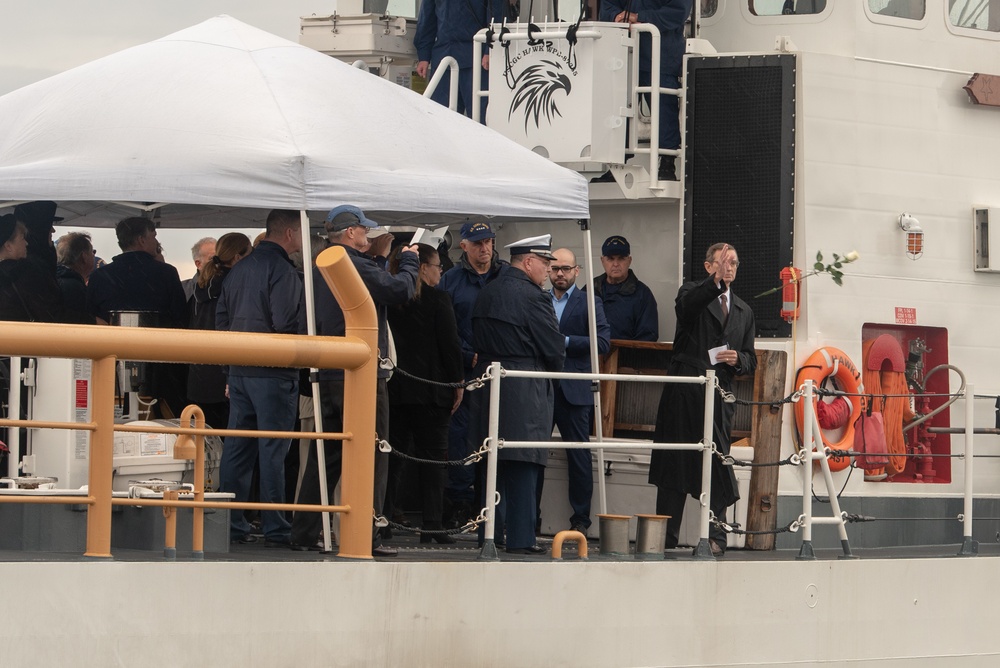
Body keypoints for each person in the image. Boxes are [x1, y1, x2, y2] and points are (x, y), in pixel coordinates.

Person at [290, 205, 418, 557]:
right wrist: (407, 260)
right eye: (365, 231)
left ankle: (304, 531)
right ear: (351, 233)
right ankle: (367, 532)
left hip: (327, 370)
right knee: (373, 452)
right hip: (359, 373)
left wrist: (376, 258)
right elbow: (397, 291)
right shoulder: (351, 262)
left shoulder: (319, 265)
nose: (369, 236)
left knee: (326, 455)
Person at [649, 242, 756, 556]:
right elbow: (688, 308)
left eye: (734, 262)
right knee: (675, 462)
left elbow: (751, 358)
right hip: (684, 391)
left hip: (719, 396)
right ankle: (664, 537)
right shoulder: (690, 292)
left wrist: (739, 360)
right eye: (724, 262)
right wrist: (714, 285)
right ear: (710, 266)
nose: (730, 267)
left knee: (716, 461)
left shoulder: (744, 311)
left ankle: (716, 538)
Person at [216, 210, 305, 546]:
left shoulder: (238, 270)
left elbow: (221, 322)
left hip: (239, 370)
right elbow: (285, 321)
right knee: (273, 451)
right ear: (290, 233)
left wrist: (230, 369)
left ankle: (232, 524)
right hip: (275, 372)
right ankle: (276, 527)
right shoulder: (282, 270)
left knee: (237, 450)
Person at [472, 234, 565, 554]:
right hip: (525, 385)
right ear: (528, 262)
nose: (548, 271)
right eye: (545, 263)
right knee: (524, 462)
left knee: (492, 462)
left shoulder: (487, 292)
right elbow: (553, 348)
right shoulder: (533, 297)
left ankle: (490, 533)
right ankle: (522, 537)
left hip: (488, 383)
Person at [385, 243, 464, 544]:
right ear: (423, 268)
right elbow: (450, 345)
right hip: (431, 392)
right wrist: (457, 382)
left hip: (394, 390)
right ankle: (432, 525)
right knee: (433, 462)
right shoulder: (438, 299)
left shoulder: (390, 300)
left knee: (392, 459)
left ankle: (384, 519)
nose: (440, 273)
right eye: (437, 267)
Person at [437, 221, 508, 526]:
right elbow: (443, 327)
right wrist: (467, 354)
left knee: (498, 436)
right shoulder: (450, 281)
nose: (485, 248)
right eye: (478, 243)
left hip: (500, 371)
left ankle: (491, 505)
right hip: (465, 371)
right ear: (463, 246)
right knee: (461, 440)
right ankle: (459, 504)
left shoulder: (505, 277)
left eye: (489, 242)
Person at [87, 217, 188, 414]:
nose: (156, 242)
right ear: (142, 240)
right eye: (153, 236)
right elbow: (181, 319)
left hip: (111, 366)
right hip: (160, 369)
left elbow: (90, 317)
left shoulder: (100, 276)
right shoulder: (166, 274)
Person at [546, 248, 611, 535]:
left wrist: (565, 341)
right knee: (532, 453)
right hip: (542, 388)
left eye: (566, 268)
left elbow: (603, 342)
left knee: (579, 457)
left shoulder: (590, 302)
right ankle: (526, 518)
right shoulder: (538, 299)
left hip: (575, 388)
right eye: (555, 268)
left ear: (577, 271)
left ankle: (581, 520)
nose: (560, 273)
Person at [600, 0, 693, 180]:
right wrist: (617, 17)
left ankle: (667, 165)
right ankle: (617, 166)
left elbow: (678, 11)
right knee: (618, 111)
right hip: (623, 55)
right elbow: (607, 6)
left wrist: (640, 17)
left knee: (664, 110)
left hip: (660, 55)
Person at [187, 232, 251, 432]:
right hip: (225, 374)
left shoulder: (197, 288)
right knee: (231, 436)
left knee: (207, 440)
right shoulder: (234, 285)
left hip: (201, 374)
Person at [414, 0, 506, 118]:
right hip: (444, 60)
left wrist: (490, 50)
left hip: (477, 59)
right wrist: (424, 56)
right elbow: (427, 19)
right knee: (439, 117)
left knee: (481, 117)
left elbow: (497, 16)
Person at [0, 215, 96, 324]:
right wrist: (92, 320)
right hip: (23, 338)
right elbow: (50, 313)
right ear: (8, 246)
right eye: (22, 238)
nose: (26, 243)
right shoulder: (23, 273)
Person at [593, 235, 659, 341]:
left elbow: (648, 336)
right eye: (610, 258)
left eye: (621, 258)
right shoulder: (590, 290)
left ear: (629, 260)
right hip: (591, 356)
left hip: (628, 356)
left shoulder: (643, 294)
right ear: (602, 260)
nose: (615, 264)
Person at [13, 200, 61, 274]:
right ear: (40, 229)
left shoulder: (41, 260)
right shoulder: (28, 270)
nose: (53, 230)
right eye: (48, 225)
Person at [182, 237, 217, 301]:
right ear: (198, 264)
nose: (218, 262)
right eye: (213, 259)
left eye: (220, 257)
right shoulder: (183, 290)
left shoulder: (229, 285)